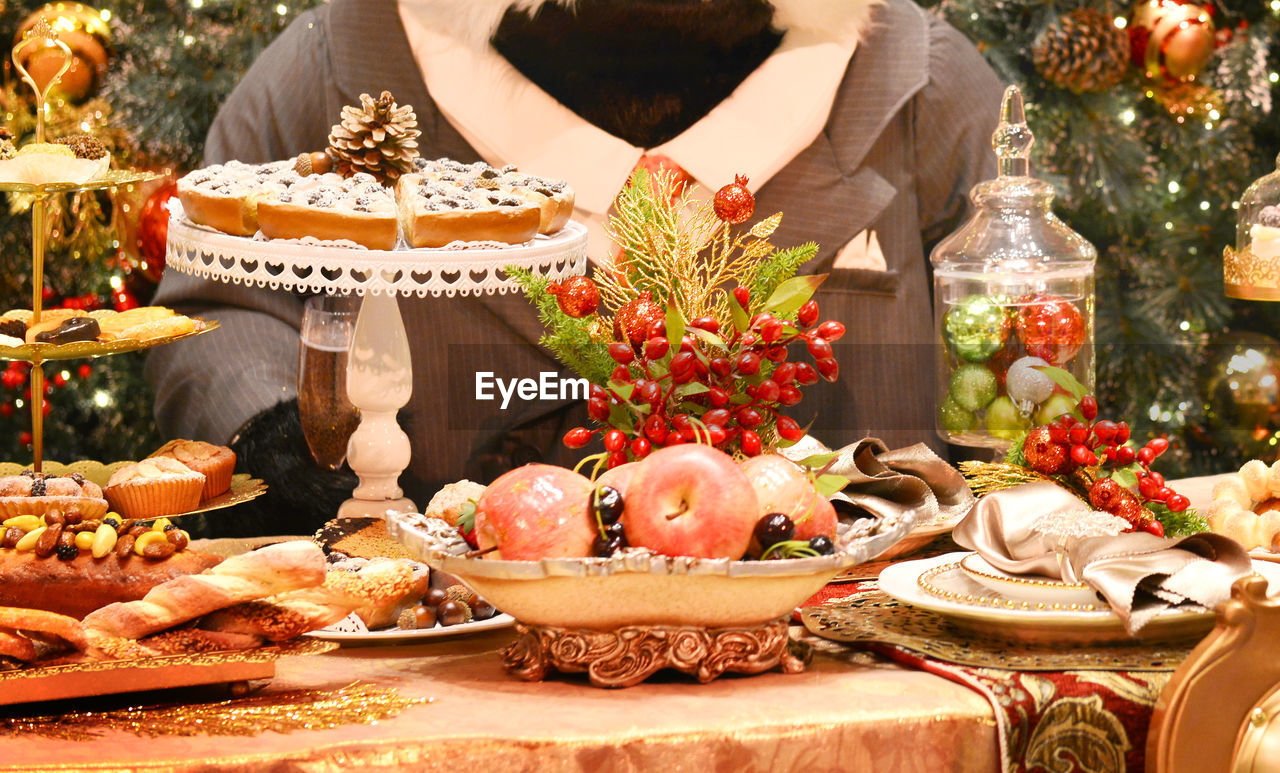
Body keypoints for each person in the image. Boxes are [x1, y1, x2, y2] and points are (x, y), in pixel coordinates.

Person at [146, 0, 1005, 536]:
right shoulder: (347, 68)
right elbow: (217, 304)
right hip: (446, 630)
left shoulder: (917, 88)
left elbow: (1020, 358)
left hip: (842, 623)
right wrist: (274, 431)